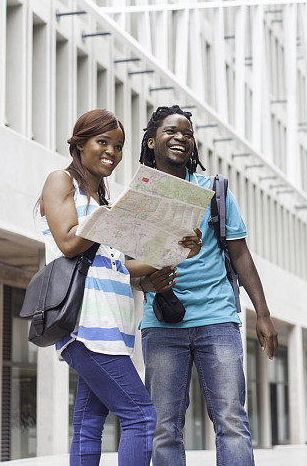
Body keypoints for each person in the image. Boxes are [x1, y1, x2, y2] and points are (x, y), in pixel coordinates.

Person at [37, 108, 202, 465]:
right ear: (79, 145)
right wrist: (111, 220)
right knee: (142, 417)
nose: (112, 151)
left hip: (112, 328)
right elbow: (67, 242)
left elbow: (119, 270)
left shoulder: (103, 203)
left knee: (88, 423)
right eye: (102, 142)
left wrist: (178, 249)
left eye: (119, 146)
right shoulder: (61, 182)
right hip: (87, 327)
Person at [135, 105, 278, 466]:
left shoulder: (214, 191)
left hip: (217, 319)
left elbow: (241, 255)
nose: (180, 137)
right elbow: (130, 268)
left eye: (186, 132)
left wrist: (263, 313)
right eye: (170, 131)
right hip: (162, 323)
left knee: (231, 421)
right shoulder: (140, 198)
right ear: (151, 142)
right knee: (164, 428)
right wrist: (146, 278)